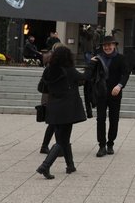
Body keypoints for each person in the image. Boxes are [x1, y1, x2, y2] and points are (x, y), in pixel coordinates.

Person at [36, 46, 87, 179]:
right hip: (67, 109)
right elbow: (84, 77)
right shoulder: (69, 70)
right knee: (61, 140)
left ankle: (70, 166)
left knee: (63, 138)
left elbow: (41, 88)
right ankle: (45, 166)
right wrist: (92, 64)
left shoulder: (48, 70)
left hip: (53, 108)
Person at [86, 35, 129, 156]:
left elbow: (125, 74)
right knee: (100, 119)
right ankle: (102, 145)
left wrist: (119, 86)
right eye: (105, 45)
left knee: (114, 119)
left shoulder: (121, 58)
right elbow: (89, 75)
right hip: (100, 93)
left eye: (110, 45)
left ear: (114, 45)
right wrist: (91, 64)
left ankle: (110, 143)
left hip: (115, 93)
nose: (107, 47)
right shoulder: (97, 59)